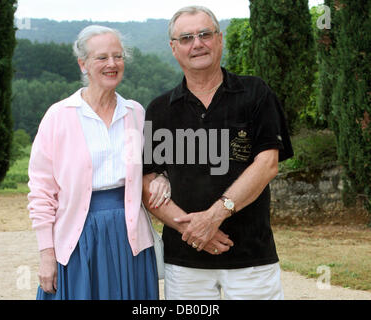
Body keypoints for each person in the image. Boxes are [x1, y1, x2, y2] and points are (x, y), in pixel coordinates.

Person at [142, 6, 294, 300]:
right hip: (185, 262)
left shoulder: (256, 93)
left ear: (219, 39)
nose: (197, 44)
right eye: (186, 38)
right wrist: (196, 230)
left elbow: (267, 165)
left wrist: (212, 218)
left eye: (204, 34)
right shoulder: (160, 110)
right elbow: (147, 182)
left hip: (251, 258)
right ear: (174, 48)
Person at [27, 25, 170, 300]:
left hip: (129, 239)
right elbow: (41, 192)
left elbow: (153, 166)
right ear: (83, 64)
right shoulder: (59, 116)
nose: (112, 64)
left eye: (118, 56)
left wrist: (163, 177)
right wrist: (47, 254)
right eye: (102, 57)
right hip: (77, 241)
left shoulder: (136, 113)